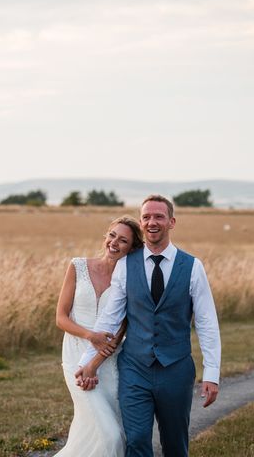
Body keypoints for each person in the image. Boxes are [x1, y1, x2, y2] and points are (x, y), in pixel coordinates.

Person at [76, 195, 221, 457]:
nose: (152, 222)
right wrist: (87, 362)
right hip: (134, 369)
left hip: (176, 370)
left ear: (171, 222)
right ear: (141, 223)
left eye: (158, 216)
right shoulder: (125, 265)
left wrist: (211, 373)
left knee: (175, 444)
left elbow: (206, 322)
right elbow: (110, 317)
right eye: (146, 217)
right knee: (138, 440)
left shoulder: (192, 266)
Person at [55, 215, 144, 457]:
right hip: (75, 356)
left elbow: (121, 330)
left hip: (107, 362)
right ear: (105, 236)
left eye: (123, 241)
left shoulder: (130, 280)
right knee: (110, 434)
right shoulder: (78, 266)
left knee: (97, 428)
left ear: (132, 248)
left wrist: (94, 365)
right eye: (112, 235)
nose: (114, 243)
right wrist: (90, 336)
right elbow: (61, 318)